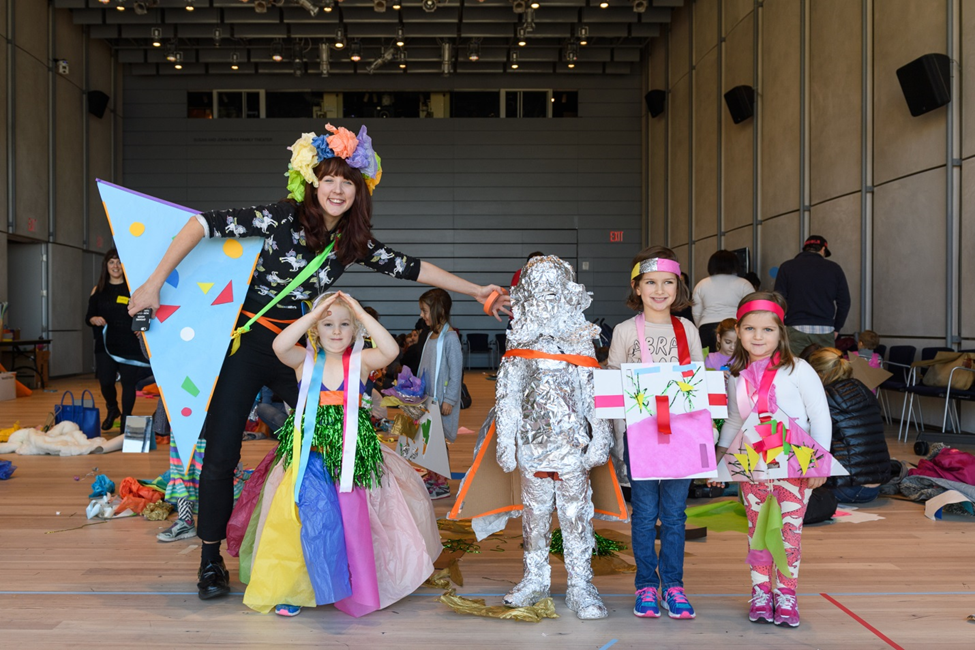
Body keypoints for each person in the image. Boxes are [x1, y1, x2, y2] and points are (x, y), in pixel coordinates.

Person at [126, 124, 509, 601]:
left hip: (302, 356)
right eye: (328, 179)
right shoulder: (278, 218)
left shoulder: (352, 241)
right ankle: (209, 560)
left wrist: (476, 291)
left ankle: (351, 550)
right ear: (310, 181)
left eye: (348, 182)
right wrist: (152, 284)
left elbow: (412, 268)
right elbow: (202, 224)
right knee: (222, 453)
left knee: (349, 441)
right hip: (251, 346)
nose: (337, 189)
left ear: (359, 192)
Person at [232, 291, 439, 617]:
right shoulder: (304, 361)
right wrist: (313, 317)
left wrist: (359, 311)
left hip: (351, 459)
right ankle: (293, 588)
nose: (337, 331)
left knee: (351, 524)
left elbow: (391, 349)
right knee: (305, 521)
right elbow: (279, 346)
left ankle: (354, 586)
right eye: (328, 324)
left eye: (345, 324)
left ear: (355, 329)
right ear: (316, 329)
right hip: (309, 457)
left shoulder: (360, 363)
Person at [495, 255, 613, 620]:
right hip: (532, 450)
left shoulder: (579, 344)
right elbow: (508, 395)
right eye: (539, 295)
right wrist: (505, 441)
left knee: (577, 516)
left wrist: (600, 438)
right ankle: (535, 579)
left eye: (553, 294)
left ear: (567, 296)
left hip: (572, 449)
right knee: (534, 517)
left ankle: (580, 584)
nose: (547, 303)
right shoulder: (519, 345)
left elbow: (595, 392)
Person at [716, 292, 830, 627]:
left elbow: (820, 417)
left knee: (788, 531)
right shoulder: (736, 374)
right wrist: (722, 458)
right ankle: (761, 592)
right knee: (758, 531)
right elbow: (736, 420)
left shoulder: (799, 369)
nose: (758, 337)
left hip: (795, 462)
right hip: (753, 463)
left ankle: (787, 595)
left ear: (780, 332)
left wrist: (818, 463)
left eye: (767, 330)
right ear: (738, 331)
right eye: (750, 329)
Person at [607, 246, 704, 620]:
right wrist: (618, 441)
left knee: (676, 516)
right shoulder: (625, 331)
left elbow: (697, 385)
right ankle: (646, 584)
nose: (659, 290)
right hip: (639, 436)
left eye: (668, 283)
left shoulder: (688, 330)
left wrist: (703, 441)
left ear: (678, 288)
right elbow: (615, 387)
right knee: (645, 514)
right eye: (651, 282)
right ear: (637, 287)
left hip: (680, 435)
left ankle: (674, 586)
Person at [807, 348, 890, 504]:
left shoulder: (824, 398)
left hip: (847, 488)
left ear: (817, 374)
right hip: (874, 486)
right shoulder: (863, 389)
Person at [85, 248, 152, 432]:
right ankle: (113, 408)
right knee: (106, 381)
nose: (115, 266)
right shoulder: (97, 290)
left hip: (129, 345)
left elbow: (144, 313)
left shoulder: (134, 289)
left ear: (124, 266)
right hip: (105, 346)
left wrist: (141, 328)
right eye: (111, 262)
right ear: (106, 266)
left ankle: (126, 421)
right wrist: (94, 319)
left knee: (129, 384)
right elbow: (88, 317)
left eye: (118, 262)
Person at [417, 288, 463, 499]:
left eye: (425, 311)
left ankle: (442, 482)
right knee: (429, 440)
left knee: (439, 442)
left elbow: (456, 371)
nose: (422, 316)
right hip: (427, 398)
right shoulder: (430, 336)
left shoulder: (450, 338)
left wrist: (450, 399)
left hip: (441, 400)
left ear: (439, 310)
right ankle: (434, 475)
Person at [772, 235, 851, 355]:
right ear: (823, 249)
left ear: (805, 249)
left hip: (795, 328)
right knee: (825, 370)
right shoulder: (835, 269)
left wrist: (781, 325)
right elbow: (844, 302)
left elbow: (778, 300)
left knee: (795, 369)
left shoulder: (787, 267)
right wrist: (837, 328)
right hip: (825, 329)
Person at [692, 250, 754, 350]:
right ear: (735, 264)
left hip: (707, 328)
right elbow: (752, 310)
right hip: (734, 327)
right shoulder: (744, 284)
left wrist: (701, 326)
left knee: (709, 362)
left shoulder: (701, 284)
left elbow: (696, 312)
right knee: (737, 362)